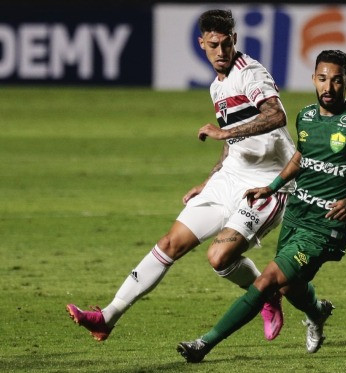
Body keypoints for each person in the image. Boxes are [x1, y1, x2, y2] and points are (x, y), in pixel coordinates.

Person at [66, 9, 295, 342]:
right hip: (230, 177)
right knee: (169, 244)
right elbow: (232, 139)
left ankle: (267, 293)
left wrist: (222, 133)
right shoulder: (217, 87)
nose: (221, 52)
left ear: (235, 40)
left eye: (226, 44)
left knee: (219, 258)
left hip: (268, 182)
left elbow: (277, 116)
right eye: (213, 45)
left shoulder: (250, 73)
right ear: (202, 43)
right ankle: (107, 317)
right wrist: (211, 177)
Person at [176, 49, 346, 363]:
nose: (329, 87)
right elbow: (301, 157)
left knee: (268, 280)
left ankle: (205, 344)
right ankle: (317, 311)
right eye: (322, 79)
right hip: (297, 213)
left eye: (337, 81)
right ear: (313, 78)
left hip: (326, 225)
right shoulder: (306, 115)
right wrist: (270, 188)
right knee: (288, 286)